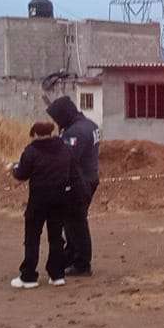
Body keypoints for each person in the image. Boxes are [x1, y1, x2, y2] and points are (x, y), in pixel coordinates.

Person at [9, 120, 73, 289]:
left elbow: (22, 174)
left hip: (38, 199)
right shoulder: (65, 148)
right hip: (60, 198)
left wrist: (13, 169)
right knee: (56, 237)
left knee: (32, 237)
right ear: (51, 132)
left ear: (35, 134)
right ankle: (57, 274)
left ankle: (29, 276)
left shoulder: (31, 151)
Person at [45, 95, 100, 277]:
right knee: (73, 222)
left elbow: (67, 159)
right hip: (89, 178)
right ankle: (71, 256)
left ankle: (82, 264)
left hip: (78, 182)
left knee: (76, 223)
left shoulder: (75, 133)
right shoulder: (90, 125)